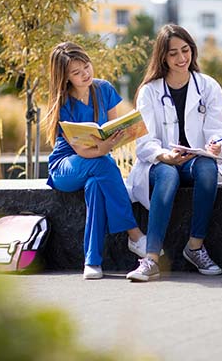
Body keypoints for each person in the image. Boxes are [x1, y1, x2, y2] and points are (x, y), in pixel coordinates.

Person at [126, 24, 222, 282]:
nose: (181, 58)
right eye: (173, 53)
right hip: (160, 162)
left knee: (208, 169)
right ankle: (150, 259)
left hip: (195, 160)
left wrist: (215, 145)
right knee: (168, 176)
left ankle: (195, 247)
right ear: (163, 56)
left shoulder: (208, 86)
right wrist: (164, 156)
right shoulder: (149, 91)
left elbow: (218, 128)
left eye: (185, 50)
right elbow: (144, 142)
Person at [45, 42, 149, 280]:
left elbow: (112, 129)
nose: (85, 74)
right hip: (66, 167)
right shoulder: (63, 104)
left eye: (86, 66)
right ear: (65, 77)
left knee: (95, 186)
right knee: (103, 164)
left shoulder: (103, 89)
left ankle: (92, 261)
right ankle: (134, 235)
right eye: (76, 72)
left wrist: (116, 138)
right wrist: (105, 147)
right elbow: (83, 152)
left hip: (99, 164)